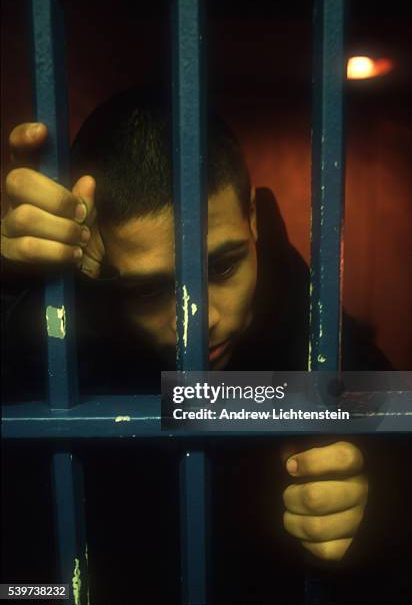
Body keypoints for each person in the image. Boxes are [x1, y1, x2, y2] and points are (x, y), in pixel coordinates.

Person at [1, 90, 410, 603]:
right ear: (94, 256)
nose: (200, 323)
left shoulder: (323, 338)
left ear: (254, 222)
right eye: (148, 289)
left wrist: (369, 533)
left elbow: (395, 481)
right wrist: (16, 292)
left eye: (223, 267)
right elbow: (24, 582)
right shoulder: (69, 342)